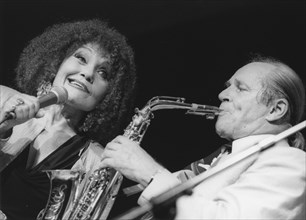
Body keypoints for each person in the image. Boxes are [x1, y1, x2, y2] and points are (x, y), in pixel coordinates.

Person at [99, 56, 305, 219]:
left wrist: (151, 173)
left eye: (240, 88)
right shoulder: (223, 158)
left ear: (276, 109)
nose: (222, 95)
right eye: (228, 85)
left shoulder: (290, 163)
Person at [0, 19, 137, 220]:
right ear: (56, 63)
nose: (88, 73)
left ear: (109, 95)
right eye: (81, 58)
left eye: (103, 73)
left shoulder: (97, 163)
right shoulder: (3, 99)